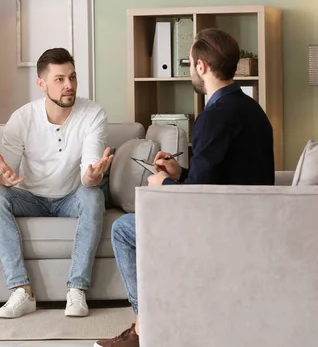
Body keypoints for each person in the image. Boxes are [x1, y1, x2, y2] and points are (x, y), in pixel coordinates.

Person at [95, 28, 275, 347]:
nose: (189, 69)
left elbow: (197, 199)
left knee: (123, 229)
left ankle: (143, 327)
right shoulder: (252, 110)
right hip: (247, 220)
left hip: (217, 226)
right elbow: (219, 178)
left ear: (202, 67)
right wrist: (179, 173)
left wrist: (162, 184)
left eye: (190, 63)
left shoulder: (213, 117)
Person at [0, 47, 112, 319]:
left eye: (73, 77)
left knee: (93, 194)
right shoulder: (22, 118)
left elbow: (89, 166)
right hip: (30, 197)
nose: (69, 85)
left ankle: (77, 288)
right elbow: (1, 168)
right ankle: (22, 290)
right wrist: (2, 177)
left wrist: (92, 176)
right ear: (41, 84)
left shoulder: (93, 113)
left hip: (70, 197)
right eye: (60, 79)